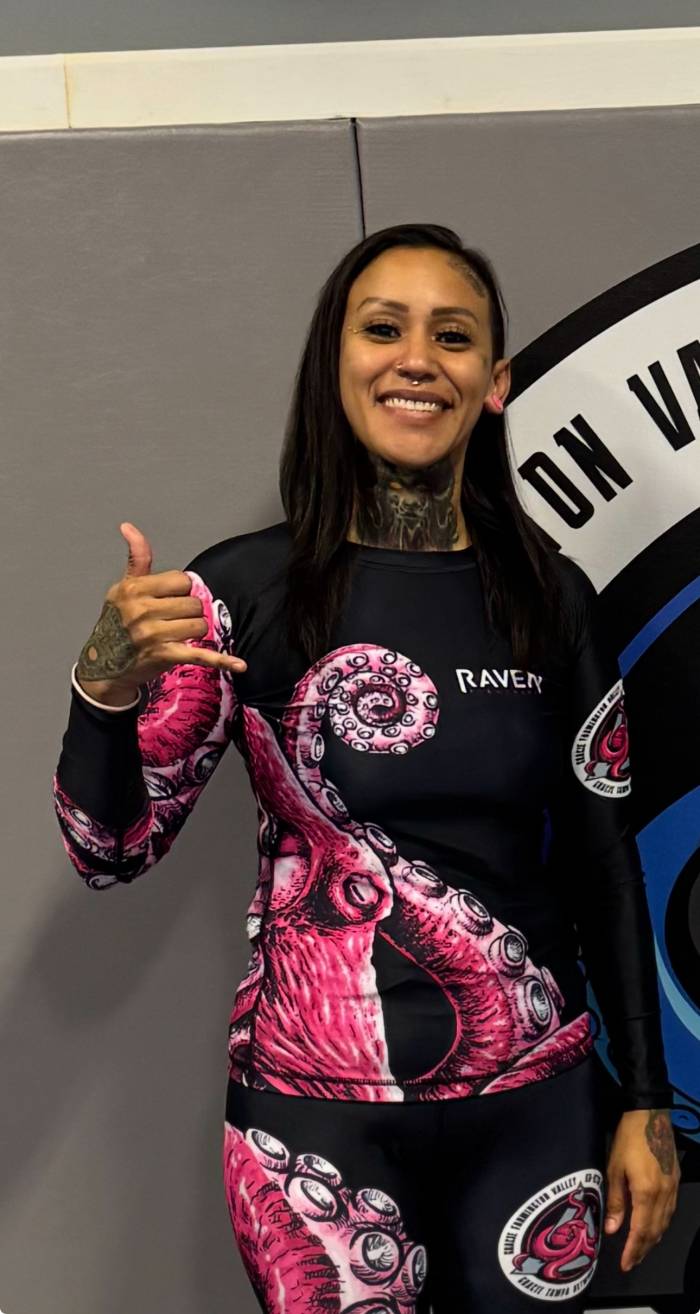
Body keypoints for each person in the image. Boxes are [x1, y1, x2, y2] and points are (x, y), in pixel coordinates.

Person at [53, 223, 680, 1312]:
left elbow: (603, 862)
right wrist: (102, 692)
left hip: (537, 1111)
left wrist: (647, 1100)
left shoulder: (550, 597)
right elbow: (110, 850)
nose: (415, 359)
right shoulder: (240, 594)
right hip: (315, 1122)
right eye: (383, 329)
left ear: (495, 382)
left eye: (452, 336)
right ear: (334, 362)